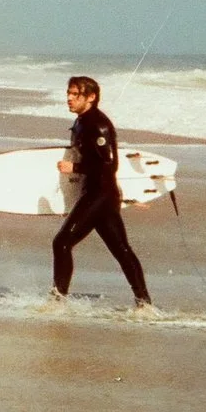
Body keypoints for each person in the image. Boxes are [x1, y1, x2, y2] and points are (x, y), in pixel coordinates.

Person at [51, 75, 151, 310]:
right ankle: (144, 303)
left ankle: (57, 300)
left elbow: (109, 165)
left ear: (91, 97)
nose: (69, 98)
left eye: (76, 94)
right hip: (98, 193)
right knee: (121, 250)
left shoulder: (97, 124)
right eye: (69, 93)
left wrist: (73, 168)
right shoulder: (81, 121)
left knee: (62, 243)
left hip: (101, 195)